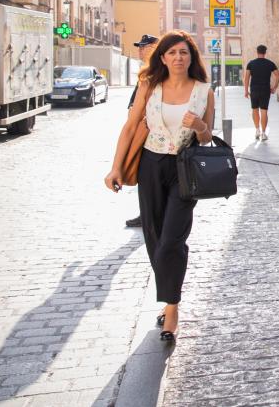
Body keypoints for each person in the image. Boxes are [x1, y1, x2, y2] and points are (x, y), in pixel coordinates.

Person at [104, 30, 214, 342]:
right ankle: (168, 299)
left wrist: (201, 126)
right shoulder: (149, 86)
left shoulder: (204, 90)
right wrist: (115, 167)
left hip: (185, 169)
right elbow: (129, 127)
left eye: (184, 52)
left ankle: (172, 308)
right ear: (162, 58)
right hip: (151, 166)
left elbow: (207, 138)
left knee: (171, 241)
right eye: (172, 53)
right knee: (153, 237)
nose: (178, 58)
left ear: (191, 57)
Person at [125, 34, 159, 228]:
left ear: (154, 47)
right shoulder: (146, 71)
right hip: (140, 128)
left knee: (146, 175)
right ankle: (146, 213)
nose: (140, 50)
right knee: (142, 174)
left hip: (148, 132)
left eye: (143, 46)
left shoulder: (155, 71)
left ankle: (149, 214)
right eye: (139, 47)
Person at [243, 44, 279, 141]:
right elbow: (278, 76)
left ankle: (257, 130)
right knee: (264, 111)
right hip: (265, 90)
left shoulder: (251, 63)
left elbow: (246, 78)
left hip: (254, 89)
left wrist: (246, 91)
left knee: (254, 110)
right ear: (265, 52)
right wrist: (274, 87)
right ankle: (263, 133)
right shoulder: (270, 63)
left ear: (257, 52)